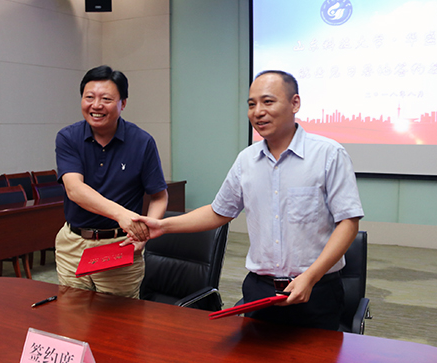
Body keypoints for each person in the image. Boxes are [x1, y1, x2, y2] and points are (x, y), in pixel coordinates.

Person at [132, 70, 363, 330]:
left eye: (268, 101)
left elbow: (348, 223)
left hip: (316, 290)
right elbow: (219, 212)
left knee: (315, 358)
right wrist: (163, 225)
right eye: (252, 104)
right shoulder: (247, 160)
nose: (258, 112)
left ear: (295, 103)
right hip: (260, 290)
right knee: (252, 356)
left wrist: (311, 277)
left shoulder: (329, 154)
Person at [54, 65, 168, 299]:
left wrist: (144, 234)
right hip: (73, 244)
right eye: (89, 97)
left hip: (120, 245)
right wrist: (121, 214)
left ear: (122, 103)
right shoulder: (68, 137)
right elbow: (74, 189)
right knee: (72, 313)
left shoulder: (142, 141)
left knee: (118, 317)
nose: (96, 105)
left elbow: (159, 196)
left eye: (106, 99)